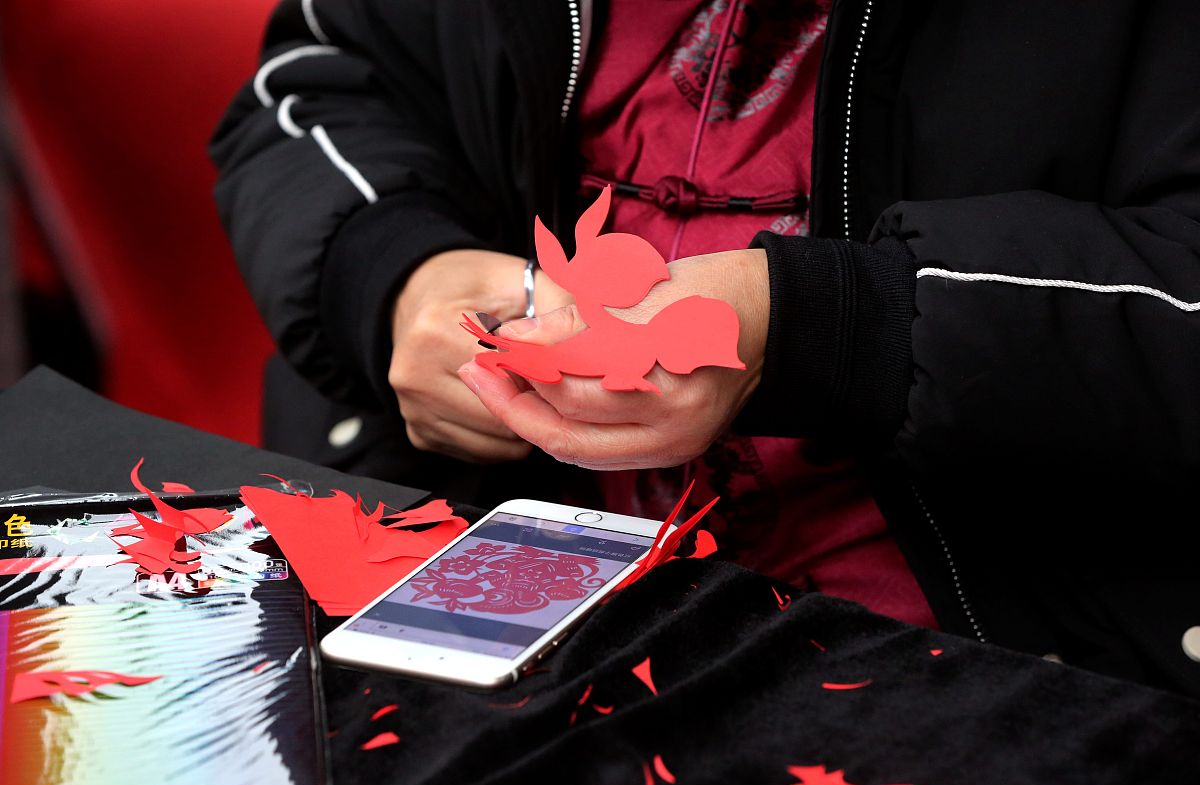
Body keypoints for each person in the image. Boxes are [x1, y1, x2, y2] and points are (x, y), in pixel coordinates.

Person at [212, 0, 1200, 698]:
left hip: (991, 645)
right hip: (484, 559)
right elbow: (325, 84)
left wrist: (831, 326)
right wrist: (394, 273)